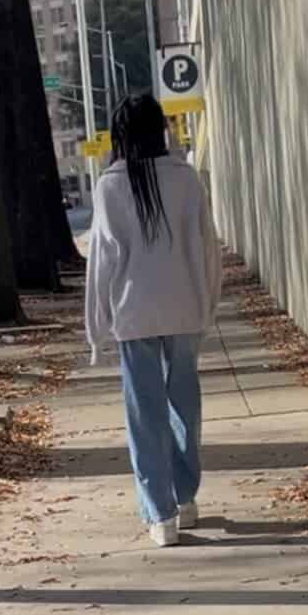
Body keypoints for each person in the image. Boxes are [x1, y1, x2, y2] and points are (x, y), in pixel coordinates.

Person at [85, 93, 222, 547]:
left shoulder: (110, 186)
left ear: (119, 135)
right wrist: (208, 302)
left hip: (134, 312)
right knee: (185, 404)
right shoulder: (186, 179)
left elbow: (102, 261)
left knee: (144, 413)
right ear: (162, 129)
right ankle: (186, 497)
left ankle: (161, 515)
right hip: (184, 306)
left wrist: (97, 327)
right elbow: (207, 247)